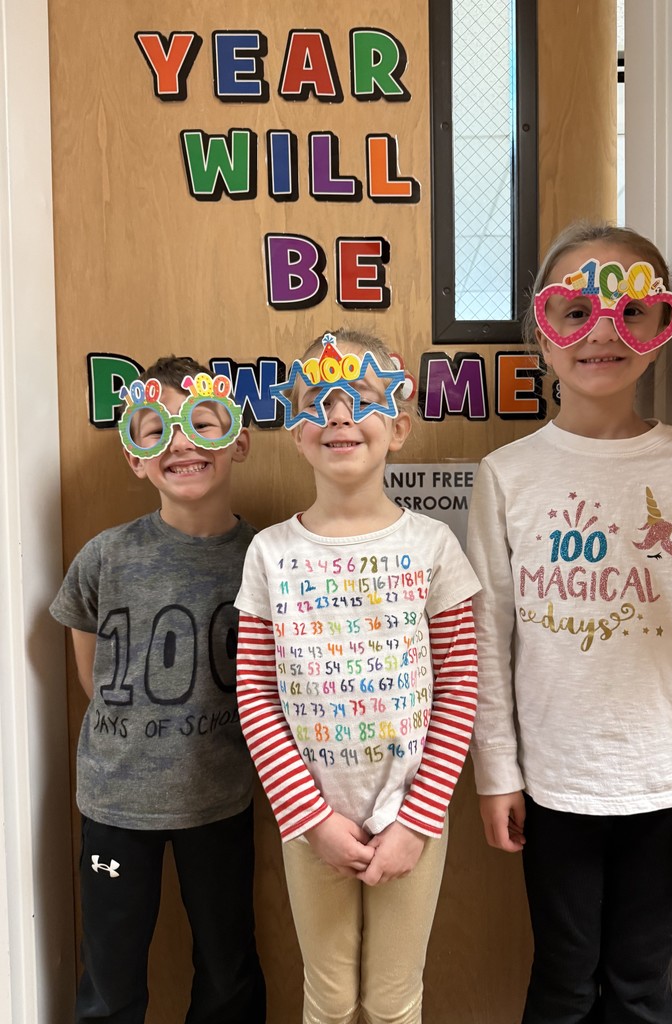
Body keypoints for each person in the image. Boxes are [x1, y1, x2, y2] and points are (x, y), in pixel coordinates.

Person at [467, 223, 672, 1024]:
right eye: (575, 310)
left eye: (629, 311)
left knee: (638, 984)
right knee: (562, 980)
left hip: (665, 786)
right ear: (543, 331)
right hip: (554, 786)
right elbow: (490, 644)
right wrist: (500, 773)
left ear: (661, 328)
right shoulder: (507, 475)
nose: (601, 332)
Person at [235, 328, 480, 1024]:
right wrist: (309, 817)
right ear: (297, 431)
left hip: (413, 817)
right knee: (330, 996)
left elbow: (461, 691)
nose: (340, 414)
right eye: (320, 400)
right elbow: (254, 692)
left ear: (398, 426)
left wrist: (418, 820)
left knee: (395, 998)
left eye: (362, 398)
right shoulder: (270, 553)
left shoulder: (433, 546)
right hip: (309, 820)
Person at [50, 355, 267, 1024]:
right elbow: (92, 674)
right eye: (157, 429)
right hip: (116, 807)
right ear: (134, 456)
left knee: (228, 970)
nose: (180, 441)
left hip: (220, 802)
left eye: (201, 423)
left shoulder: (265, 560)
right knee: (110, 979)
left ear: (238, 439)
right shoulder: (103, 557)